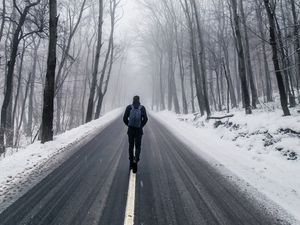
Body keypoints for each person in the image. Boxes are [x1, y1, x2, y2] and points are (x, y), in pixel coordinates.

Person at [123, 95, 148, 173]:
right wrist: (141, 126)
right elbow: (146, 119)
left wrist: (129, 125)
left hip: (130, 130)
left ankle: (131, 162)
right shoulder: (142, 108)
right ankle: (135, 161)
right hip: (138, 131)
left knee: (131, 146)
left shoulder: (129, 107)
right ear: (139, 100)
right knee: (137, 147)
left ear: (133, 100)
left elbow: (124, 118)